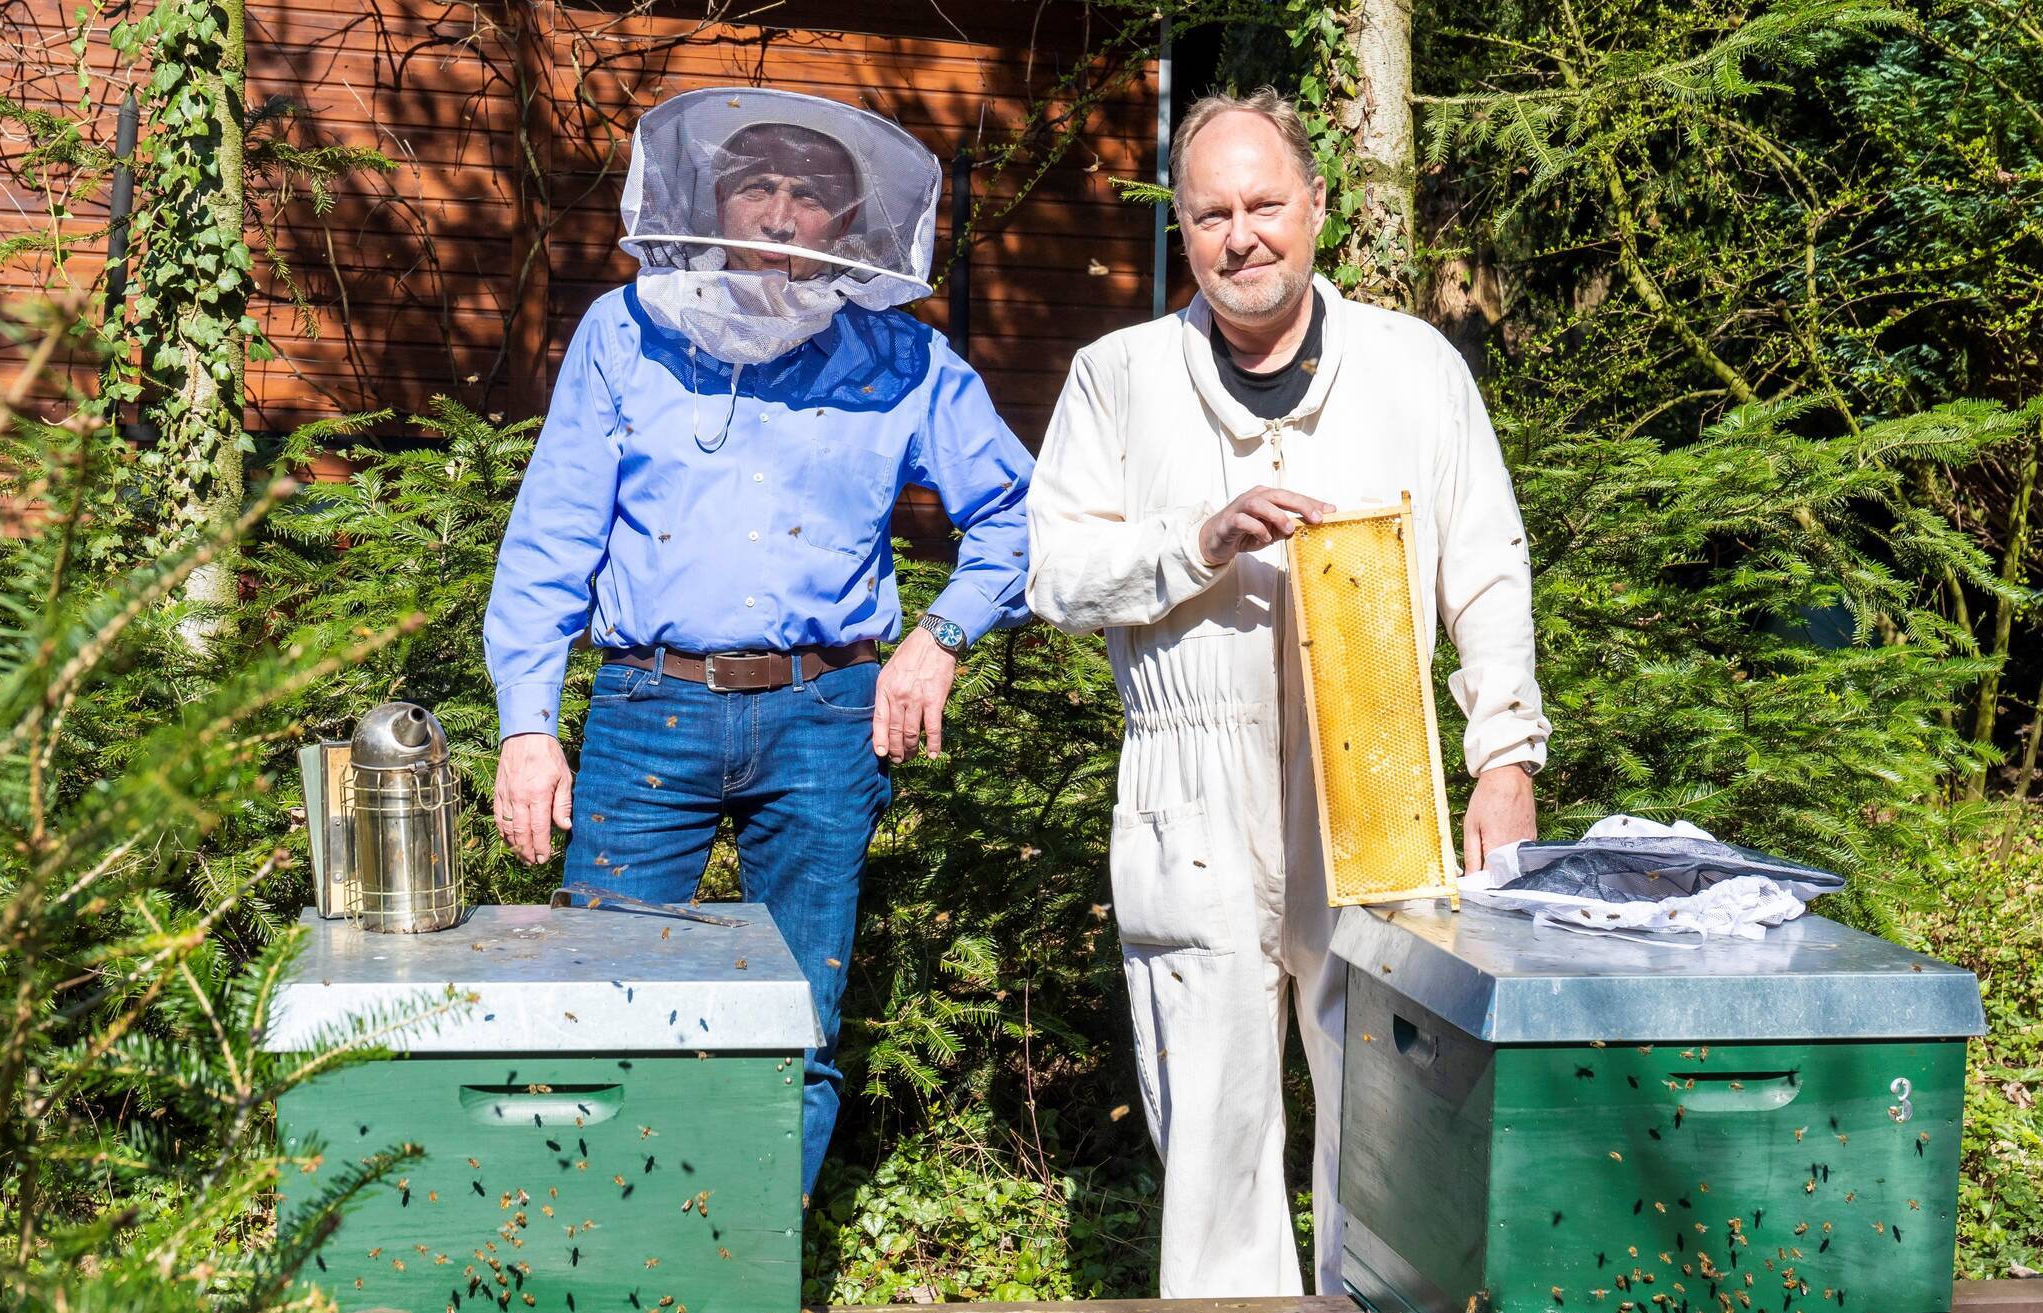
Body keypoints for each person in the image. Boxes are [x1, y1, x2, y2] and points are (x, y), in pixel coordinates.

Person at [1025, 88, 1550, 1296]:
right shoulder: (1117, 377)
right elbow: (1052, 574)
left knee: (1394, 1091)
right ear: (1183, 225)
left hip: (1378, 768)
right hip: (1185, 778)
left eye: (1265, 203)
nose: (1239, 234)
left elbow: (1485, 565)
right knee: (1209, 1124)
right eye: (1210, 212)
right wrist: (1194, 541)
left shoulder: (1413, 367)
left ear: (1315, 207)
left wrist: (1504, 756)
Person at [483, 88, 1035, 1206]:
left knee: (796, 1025)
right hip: (648, 708)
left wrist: (940, 638)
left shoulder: (899, 359)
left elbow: (1021, 514)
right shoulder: (621, 332)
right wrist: (527, 724)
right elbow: (550, 536)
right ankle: (612, 1262)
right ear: (708, 199)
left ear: (849, 224)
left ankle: (742, 1257)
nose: (780, 214)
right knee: (596, 1008)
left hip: (827, 717)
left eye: (811, 195)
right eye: (757, 185)